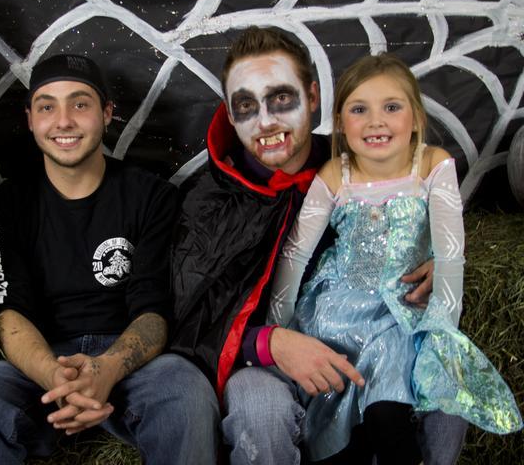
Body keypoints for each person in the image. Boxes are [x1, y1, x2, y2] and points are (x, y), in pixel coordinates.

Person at [171, 27, 470, 464]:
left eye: (281, 98)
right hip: (265, 360)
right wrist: (270, 342)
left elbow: (423, 220)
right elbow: (191, 320)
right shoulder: (209, 202)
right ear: (230, 116)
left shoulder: (355, 161)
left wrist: (431, 257)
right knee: (260, 407)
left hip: (381, 334)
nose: (266, 122)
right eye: (246, 106)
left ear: (312, 97)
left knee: (448, 383)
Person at [0, 54, 219, 465]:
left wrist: (106, 370)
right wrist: (55, 376)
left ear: (106, 113)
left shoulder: (152, 196)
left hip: (130, 365)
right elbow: (10, 313)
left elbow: (153, 312)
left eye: (80, 104)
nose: (64, 121)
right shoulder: (7, 204)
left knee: (187, 392)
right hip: (41, 362)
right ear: (30, 119)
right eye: (47, 107)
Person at [267, 53, 522, 464]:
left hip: (398, 311)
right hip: (338, 311)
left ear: (416, 118)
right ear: (340, 122)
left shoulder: (432, 165)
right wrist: (276, 328)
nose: (375, 122)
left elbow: (450, 254)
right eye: (359, 110)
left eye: (391, 107)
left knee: (388, 408)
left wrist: (442, 333)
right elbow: (295, 254)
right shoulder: (335, 174)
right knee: (342, 416)